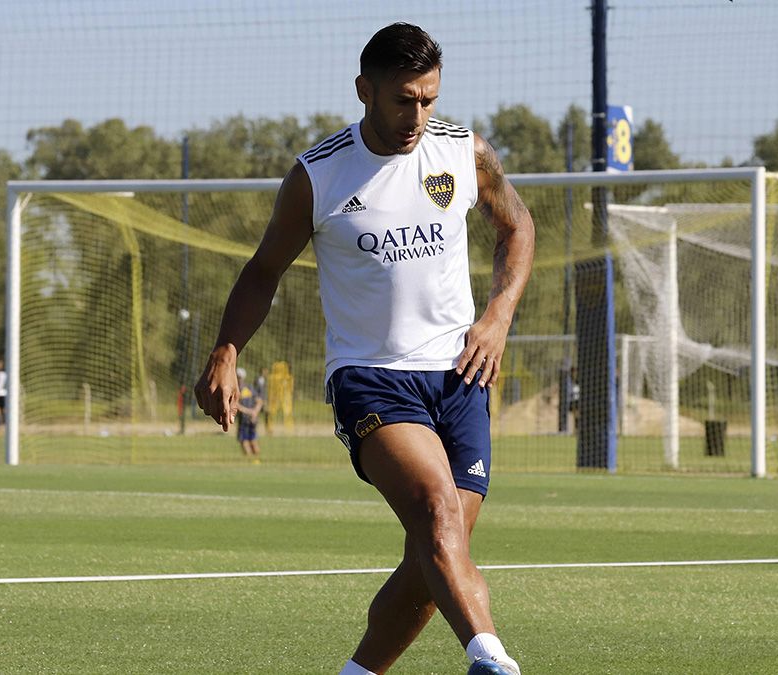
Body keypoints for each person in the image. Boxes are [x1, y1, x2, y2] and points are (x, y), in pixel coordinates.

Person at [194, 23, 534, 675]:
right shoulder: (317, 176)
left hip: (462, 376)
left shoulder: (464, 153)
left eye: (430, 99)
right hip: (371, 380)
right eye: (405, 99)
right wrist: (226, 350)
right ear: (365, 91)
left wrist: (498, 315)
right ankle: (491, 658)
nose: (418, 116)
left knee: (438, 550)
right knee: (438, 513)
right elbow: (263, 269)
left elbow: (517, 226)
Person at [235, 367, 263, 460]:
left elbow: (259, 401)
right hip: (248, 418)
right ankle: (254, 461)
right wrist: (253, 412)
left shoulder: (237, 390)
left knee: (248, 441)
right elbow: (259, 401)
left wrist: (254, 412)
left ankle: (253, 461)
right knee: (248, 440)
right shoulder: (249, 387)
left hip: (248, 419)